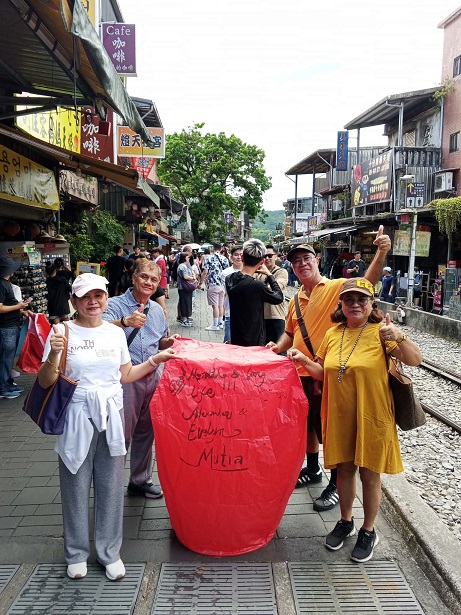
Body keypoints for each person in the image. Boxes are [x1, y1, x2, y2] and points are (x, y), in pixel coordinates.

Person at [39, 273, 175, 581]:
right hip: (76, 417)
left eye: (98, 295)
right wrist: (55, 354)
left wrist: (155, 359)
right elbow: (46, 382)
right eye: (85, 297)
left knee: (111, 487)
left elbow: (126, 374)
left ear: (105, 298)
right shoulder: (62, 332)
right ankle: (76, 553)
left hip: (112, 415)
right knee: (75, 487)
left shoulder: (115, 333)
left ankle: (109, 552)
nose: (92, 302)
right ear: (73, 302)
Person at [288, 278, 421, 562]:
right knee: (345, 471)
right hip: (339, 415)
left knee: (369, 475)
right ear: (342, 304)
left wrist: (399, 335)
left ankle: (368, 530)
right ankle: (346, 521)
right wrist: (303, 360)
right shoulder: (333, 333)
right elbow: (323, 372)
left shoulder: (381, 332)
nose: (355, 304)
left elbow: (414, 360)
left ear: (372, 304)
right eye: (349, 299)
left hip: (373, 415)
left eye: (362, 299)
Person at [267, 226, 391, 513]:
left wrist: (381, 252)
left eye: (306, 259)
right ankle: (313, 470)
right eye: (296, 261)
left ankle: (336, 483)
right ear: (292, 267)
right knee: (309, 425)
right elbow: (290, 332)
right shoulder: (296, 299)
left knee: (331, 431)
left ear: (317, 260)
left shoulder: (336, 287)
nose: (302, 264)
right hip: (301, 373)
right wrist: (277, 347)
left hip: (330, 373)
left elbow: (367, 282)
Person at [103, 260, 178, 502]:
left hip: (153, 376)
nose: (148, 282)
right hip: (124, 379)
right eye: (144, 277)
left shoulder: (156, 310)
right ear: (133, 277)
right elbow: (97, 329)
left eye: (154, 279)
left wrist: (169, 343)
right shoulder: (114, 304)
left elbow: (159, 341)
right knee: (120, 433)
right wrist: (125, 322)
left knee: (147, 432)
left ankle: (139, 481)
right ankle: (110, 486)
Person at [226, 238, 284, 347]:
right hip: (254, 341)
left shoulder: (229, 279)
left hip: (236, 337)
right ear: (262, 262)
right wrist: (270, 275)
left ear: (242, 258)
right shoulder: (257, 286)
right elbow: (278, 297)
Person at [0, 256, 31, 399]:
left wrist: (21, 310)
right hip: (6, 327)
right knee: (5, 359)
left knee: (8, 358)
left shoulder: (5, 284)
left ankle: (7, 383)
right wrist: (19, 306)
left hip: (10, 326)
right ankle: (3, 388)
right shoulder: (2, 285)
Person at [256, 245, 288, 346]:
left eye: (270, 256)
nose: (267, 258)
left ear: (276, 256)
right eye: (264, 256)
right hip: (260, 318)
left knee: (278, 348)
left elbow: (276, 287)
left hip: (276, 317)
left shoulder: (281, 272)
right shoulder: (258, 273)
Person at [199, 243, 229, 331]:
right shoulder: (225, 259)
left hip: (213, 284)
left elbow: (205, 272)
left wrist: (200, 283)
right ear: (220, 249)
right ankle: (220, 323)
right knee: (221, 305)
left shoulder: (208, 258)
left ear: (213, 248)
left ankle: (215, 325)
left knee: (215, 306)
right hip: (222, 285)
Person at [220, 245, 243, 343]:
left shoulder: (251, 271)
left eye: (241, 255)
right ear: (231, 257)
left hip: (248, 314)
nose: (239, 257)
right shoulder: (226, 273)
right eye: (236, 255)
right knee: (228, 342)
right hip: (231, 313)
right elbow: (229, 291)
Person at [176, 253, 196, 327]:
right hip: (184, 287)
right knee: (185, 303)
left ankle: (186, 318)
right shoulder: (182, 266)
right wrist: (193, 278)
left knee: (186, 302)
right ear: (184, 258)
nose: (189, 258)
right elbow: (185, 277)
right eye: (188, 257)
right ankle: (184, 319)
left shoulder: (184, 265)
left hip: (185, 287)